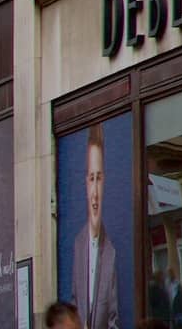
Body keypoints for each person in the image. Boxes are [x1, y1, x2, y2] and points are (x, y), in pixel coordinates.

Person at [75, 131, 120, 329]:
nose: (94, 193)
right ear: (85, 183)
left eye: (99, 179)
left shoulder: (111, 252)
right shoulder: (79, 244)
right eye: (91, 178)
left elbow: (114, 320)